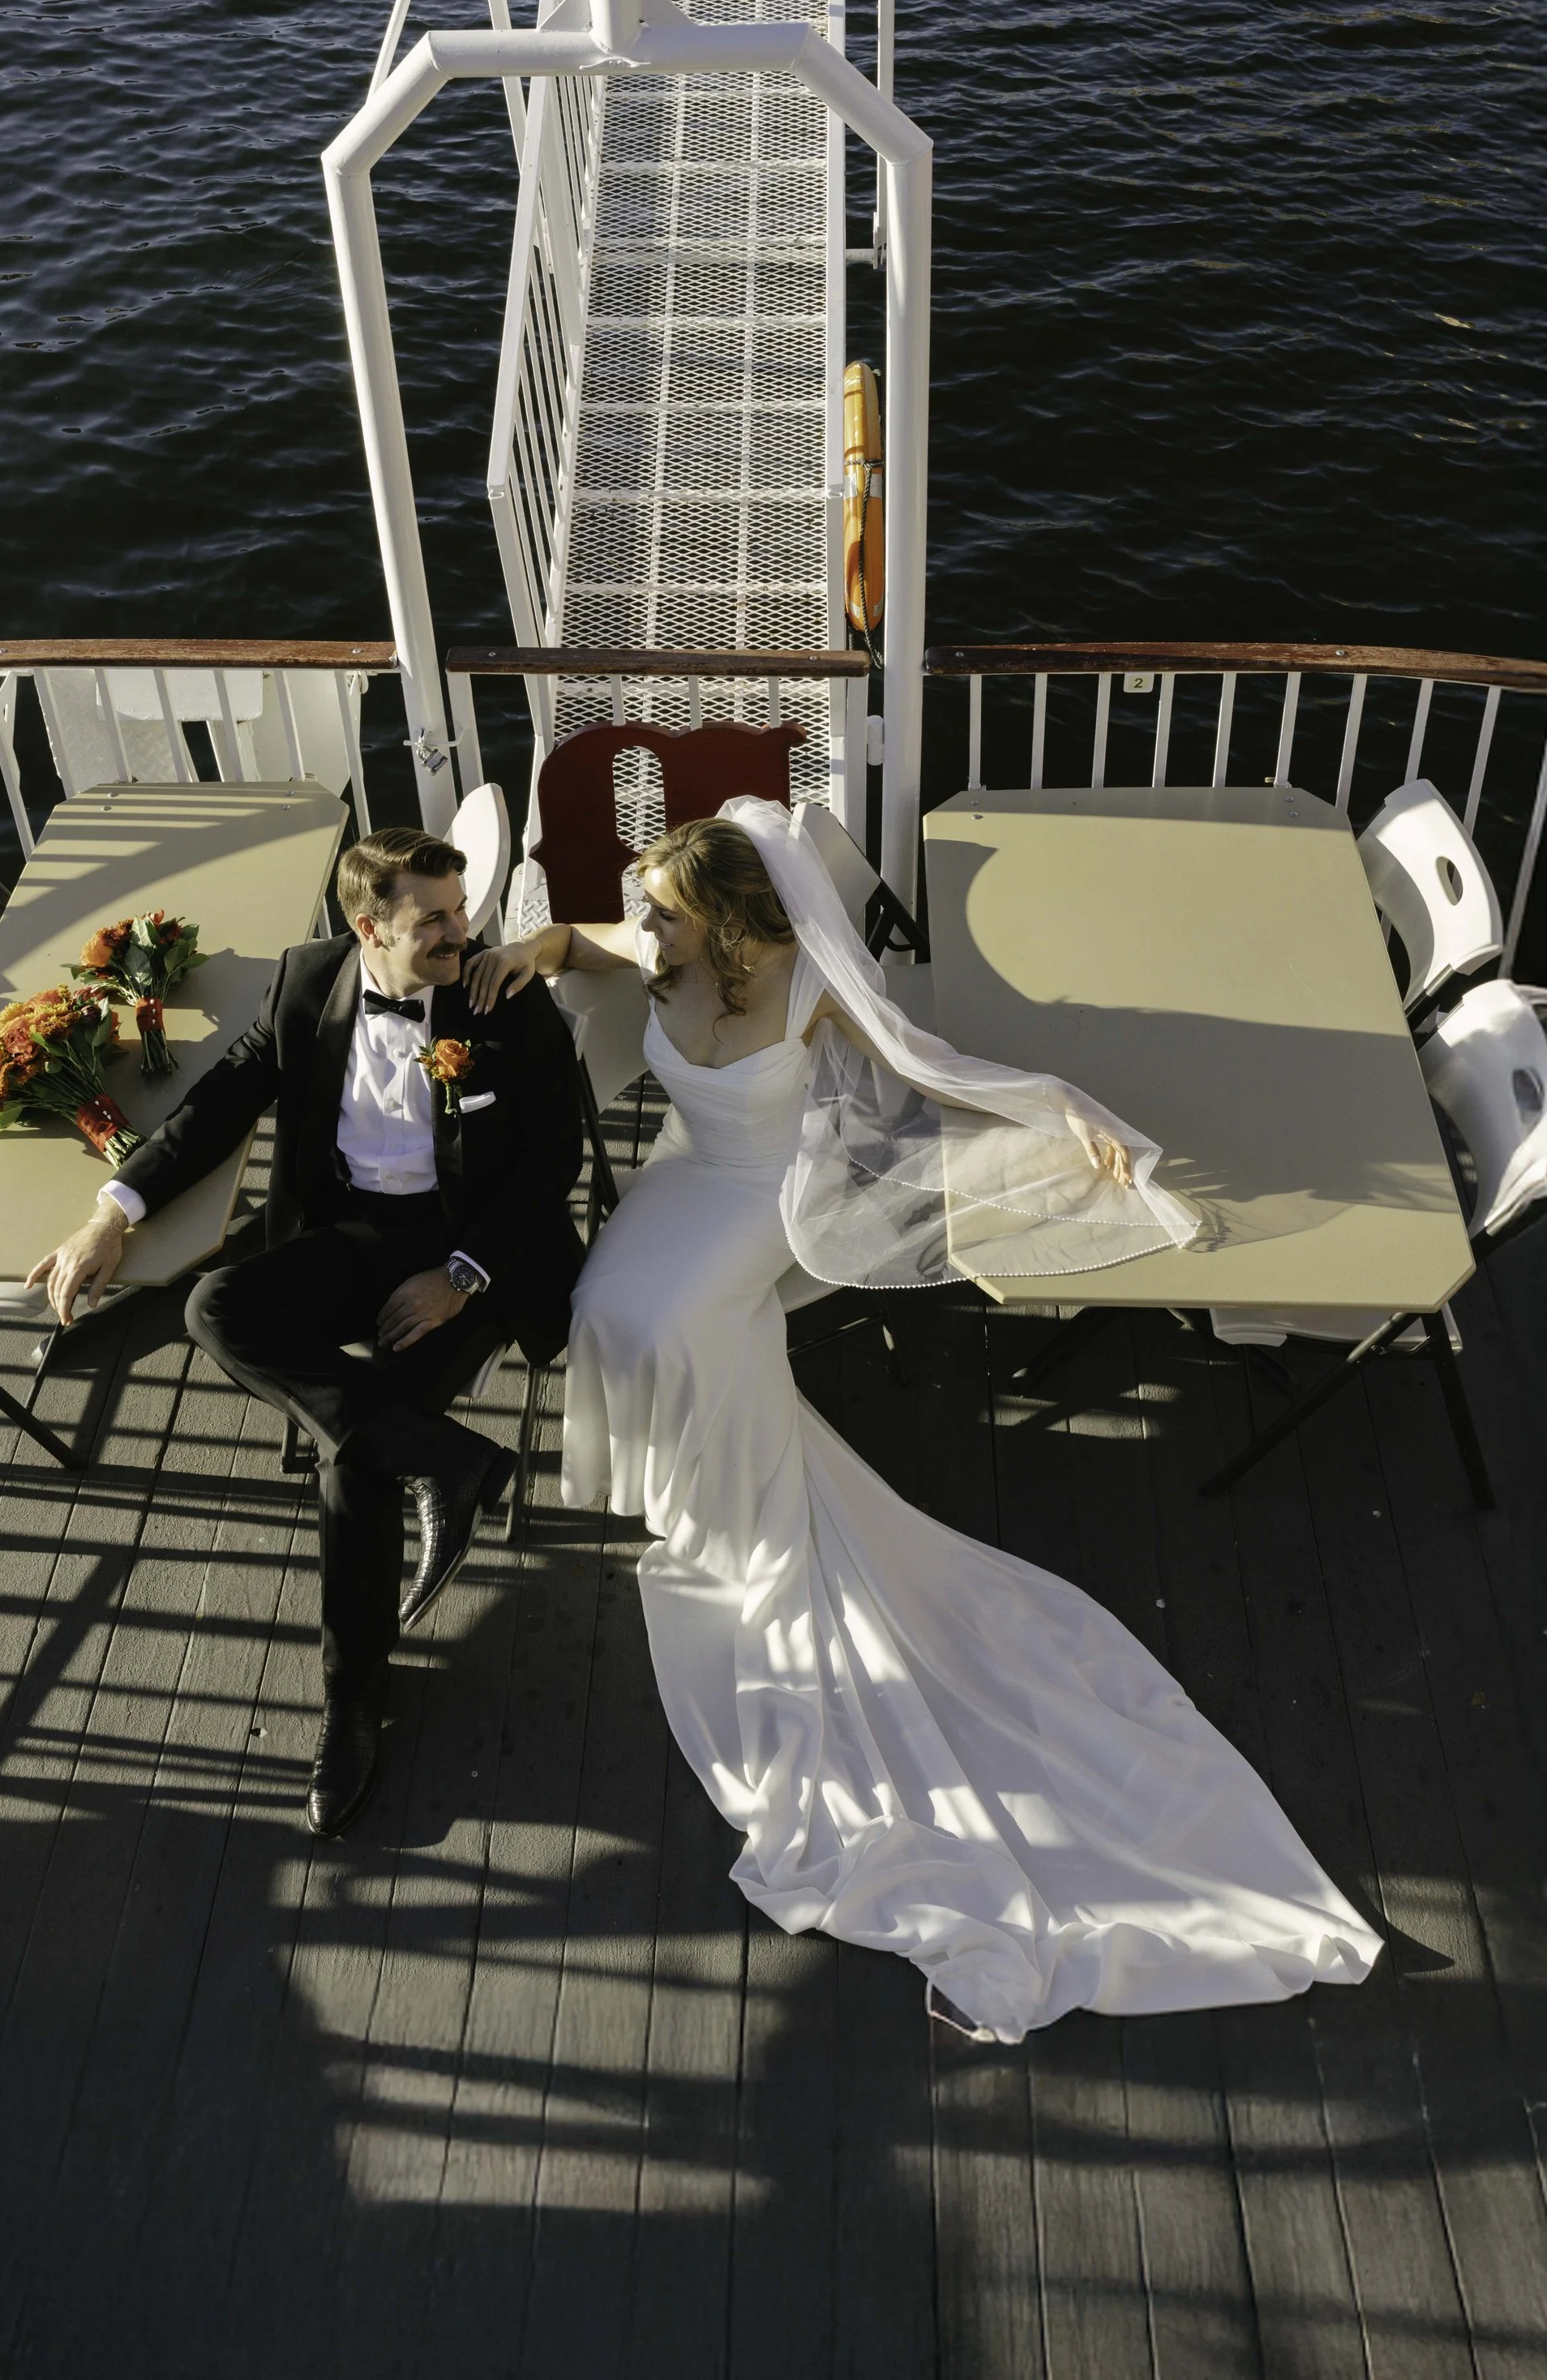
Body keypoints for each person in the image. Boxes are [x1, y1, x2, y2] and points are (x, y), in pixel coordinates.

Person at [468, 800, 1380, 2042]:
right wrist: (538, 948)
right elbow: (585, 942)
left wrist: (1062, 1110)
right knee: (606, 1306)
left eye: (670, 909)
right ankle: (687, 1460)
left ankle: (745, 1498)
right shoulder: (662, 943)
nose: (649, 922)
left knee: (673, 1321)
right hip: (689, 1175)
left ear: (735, 925)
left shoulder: (807, 989)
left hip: (762, 1199)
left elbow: (933, 1069)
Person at [30, 826, 582, 1838]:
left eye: (463, 913)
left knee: (351, 1468)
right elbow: (214, 1109)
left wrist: (460, 1277)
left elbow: (554, 1166)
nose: (462, 935)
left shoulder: (506, 1001)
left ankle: (351, 1701)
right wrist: (110, 1216)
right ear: (366, 928)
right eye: (435, 921)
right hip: (351, 1234)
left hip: (465, 1252)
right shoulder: (305, 983)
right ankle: (445, 1461)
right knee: (212, 1305)